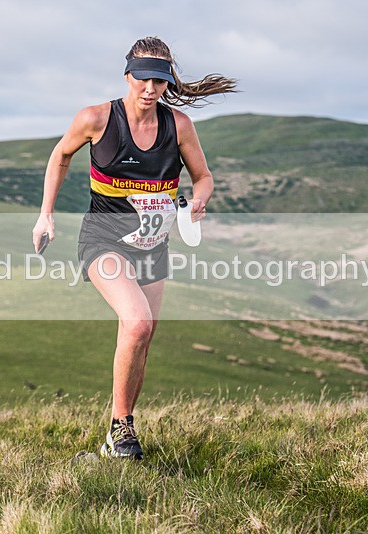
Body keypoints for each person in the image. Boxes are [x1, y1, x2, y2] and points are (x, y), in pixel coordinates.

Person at [33, 36, 237, 460]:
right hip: (103, 238)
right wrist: (45, 214)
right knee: (138, 322)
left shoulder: (178, 126)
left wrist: (198, 200)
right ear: (127, 75)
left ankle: (116, 438)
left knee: (141, 338)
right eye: (143, 78)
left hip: (153, 245)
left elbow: (203, 177)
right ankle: (122, 429)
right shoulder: (95, 118)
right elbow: (60, 156)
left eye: (159, 81)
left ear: (167, 82)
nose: (150, 88)